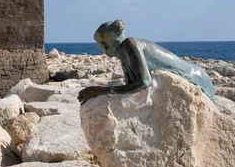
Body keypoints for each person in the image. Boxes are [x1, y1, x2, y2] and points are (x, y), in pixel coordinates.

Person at [77, 19, 216, 105]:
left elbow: (144, 82)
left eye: (99, 43)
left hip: (197, 77)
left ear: (105, 43)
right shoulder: (123, 58)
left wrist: (100, 90)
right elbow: (130, 88)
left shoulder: (130, 44)